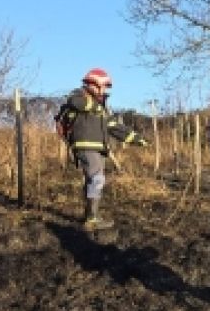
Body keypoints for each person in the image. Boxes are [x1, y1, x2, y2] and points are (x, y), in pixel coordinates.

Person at [60, 68, 148, 231]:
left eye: (106, 87)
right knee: (97, 179)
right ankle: (92, 219)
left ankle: (90, 216)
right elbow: (75, 102)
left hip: (98, 148)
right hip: (85, 146)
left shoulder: (102, 107)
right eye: (102, 86)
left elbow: (114, 127)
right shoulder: (78, 95)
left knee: (93, 180)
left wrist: (137, 139)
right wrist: (97, 106)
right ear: (93, 84)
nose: (104, 90)